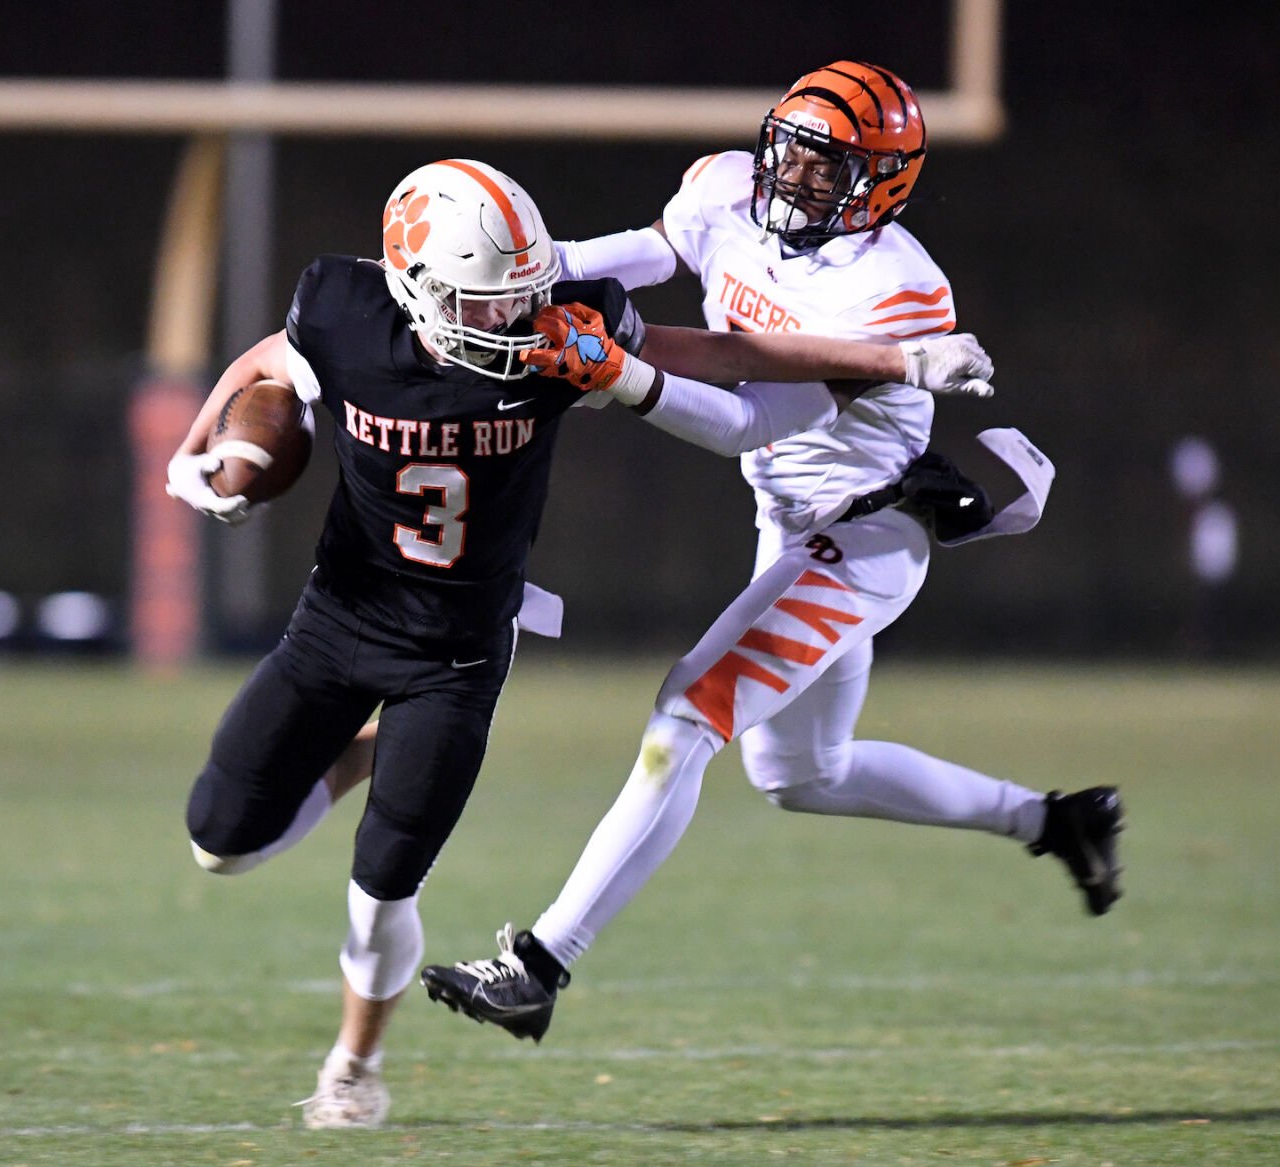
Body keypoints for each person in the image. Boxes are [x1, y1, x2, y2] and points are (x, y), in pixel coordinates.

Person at [163, 157, 1000, 1128]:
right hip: (338, 618)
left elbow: (729, 356)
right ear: (417, 290)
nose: (513, 322)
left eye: (524, 296)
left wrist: (899, 361)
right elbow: (267, 366)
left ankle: (353, 1067)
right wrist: (207, 455)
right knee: (218, 846)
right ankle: (371, 754)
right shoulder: (345, 307)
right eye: (488, 303)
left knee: (383, 885)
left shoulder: (553, 331)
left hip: (460, 654)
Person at [418, 61, 1125, 1045]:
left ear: (878, 183)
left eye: (822, 169)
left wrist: (617, 372)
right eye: (786, 154)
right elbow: (634, 255)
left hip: (870, 528)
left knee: (684, 717)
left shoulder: (898, 289)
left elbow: (748, 415)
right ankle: (1059, 822)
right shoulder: (721, 193)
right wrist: (511, 277)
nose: (790, 179)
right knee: (802, 773)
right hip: (791, 527)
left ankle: (538, 966)